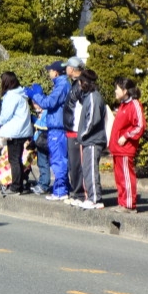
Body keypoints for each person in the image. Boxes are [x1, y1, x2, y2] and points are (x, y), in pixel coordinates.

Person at [28, 61, 71, 201]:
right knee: (59, 160)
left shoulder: (62, 85)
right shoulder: (61, 84)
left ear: (56, 72)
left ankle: (60, 191)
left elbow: (49, 103)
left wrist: (35, 95)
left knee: (58, 161)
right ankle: (64, 188)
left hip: (58, 129)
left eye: (50, 71)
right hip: (58, 128)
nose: (49, 73)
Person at [109, 77, 146, 214]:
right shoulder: (123, 105)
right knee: (119, 177)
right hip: (117, 148)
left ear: (125, 90)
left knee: (126, 176)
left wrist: (126, 136)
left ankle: (129, 204)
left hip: (125, 148)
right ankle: (122, 202)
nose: (115, 91)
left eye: (117, 89)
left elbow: (140, 125)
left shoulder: (134, 104)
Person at [0, 71, 33, 196]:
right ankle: (21, 183)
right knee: (18, 158)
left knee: (14, 159)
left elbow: (6, 115)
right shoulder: (21, 94)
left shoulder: (11, 96)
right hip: (23, 131)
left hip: (15, 132)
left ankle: (16, 186)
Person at [77, 69, 107, 210]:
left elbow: (92, 120)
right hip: (90, 140)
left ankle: (95, 198)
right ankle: (91, 197)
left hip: (93, 140)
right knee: (88, 169)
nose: (79, 84)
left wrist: (82, 134)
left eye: (81, 82)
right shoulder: (89, 96)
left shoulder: (94, 97)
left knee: (91, 170)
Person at [62, 57, 86, 207]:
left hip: (77, 129)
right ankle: (76, 192)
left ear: (72, 68)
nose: (66, 70)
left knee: (77, 164)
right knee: (73, 163)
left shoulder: (81, 84)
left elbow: (83, 108)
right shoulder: (75, 83)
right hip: (72, 129)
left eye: (67, 67)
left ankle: (80, 194)